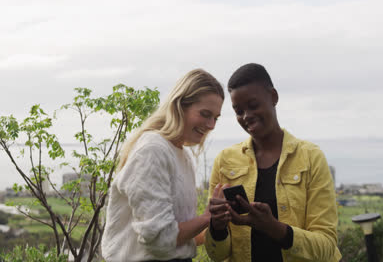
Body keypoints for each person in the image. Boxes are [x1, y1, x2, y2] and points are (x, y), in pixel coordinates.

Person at [204, 63, 342, 262]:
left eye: (253, 105)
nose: (246, 116)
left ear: (274, 97)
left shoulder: (311, 158)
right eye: (238, 111)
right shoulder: (225, 161)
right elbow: (218, 254)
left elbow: (327, 246)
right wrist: (217, 228)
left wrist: (274, 228)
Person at [101, 69, 224, 262]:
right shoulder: (152, 150)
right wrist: (205, 217)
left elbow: (181, 240)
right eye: (205, 114)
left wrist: (217, 220)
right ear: (180, 106)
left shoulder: (182, 156)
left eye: (216, 118)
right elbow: (160, 240)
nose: (211, 125)